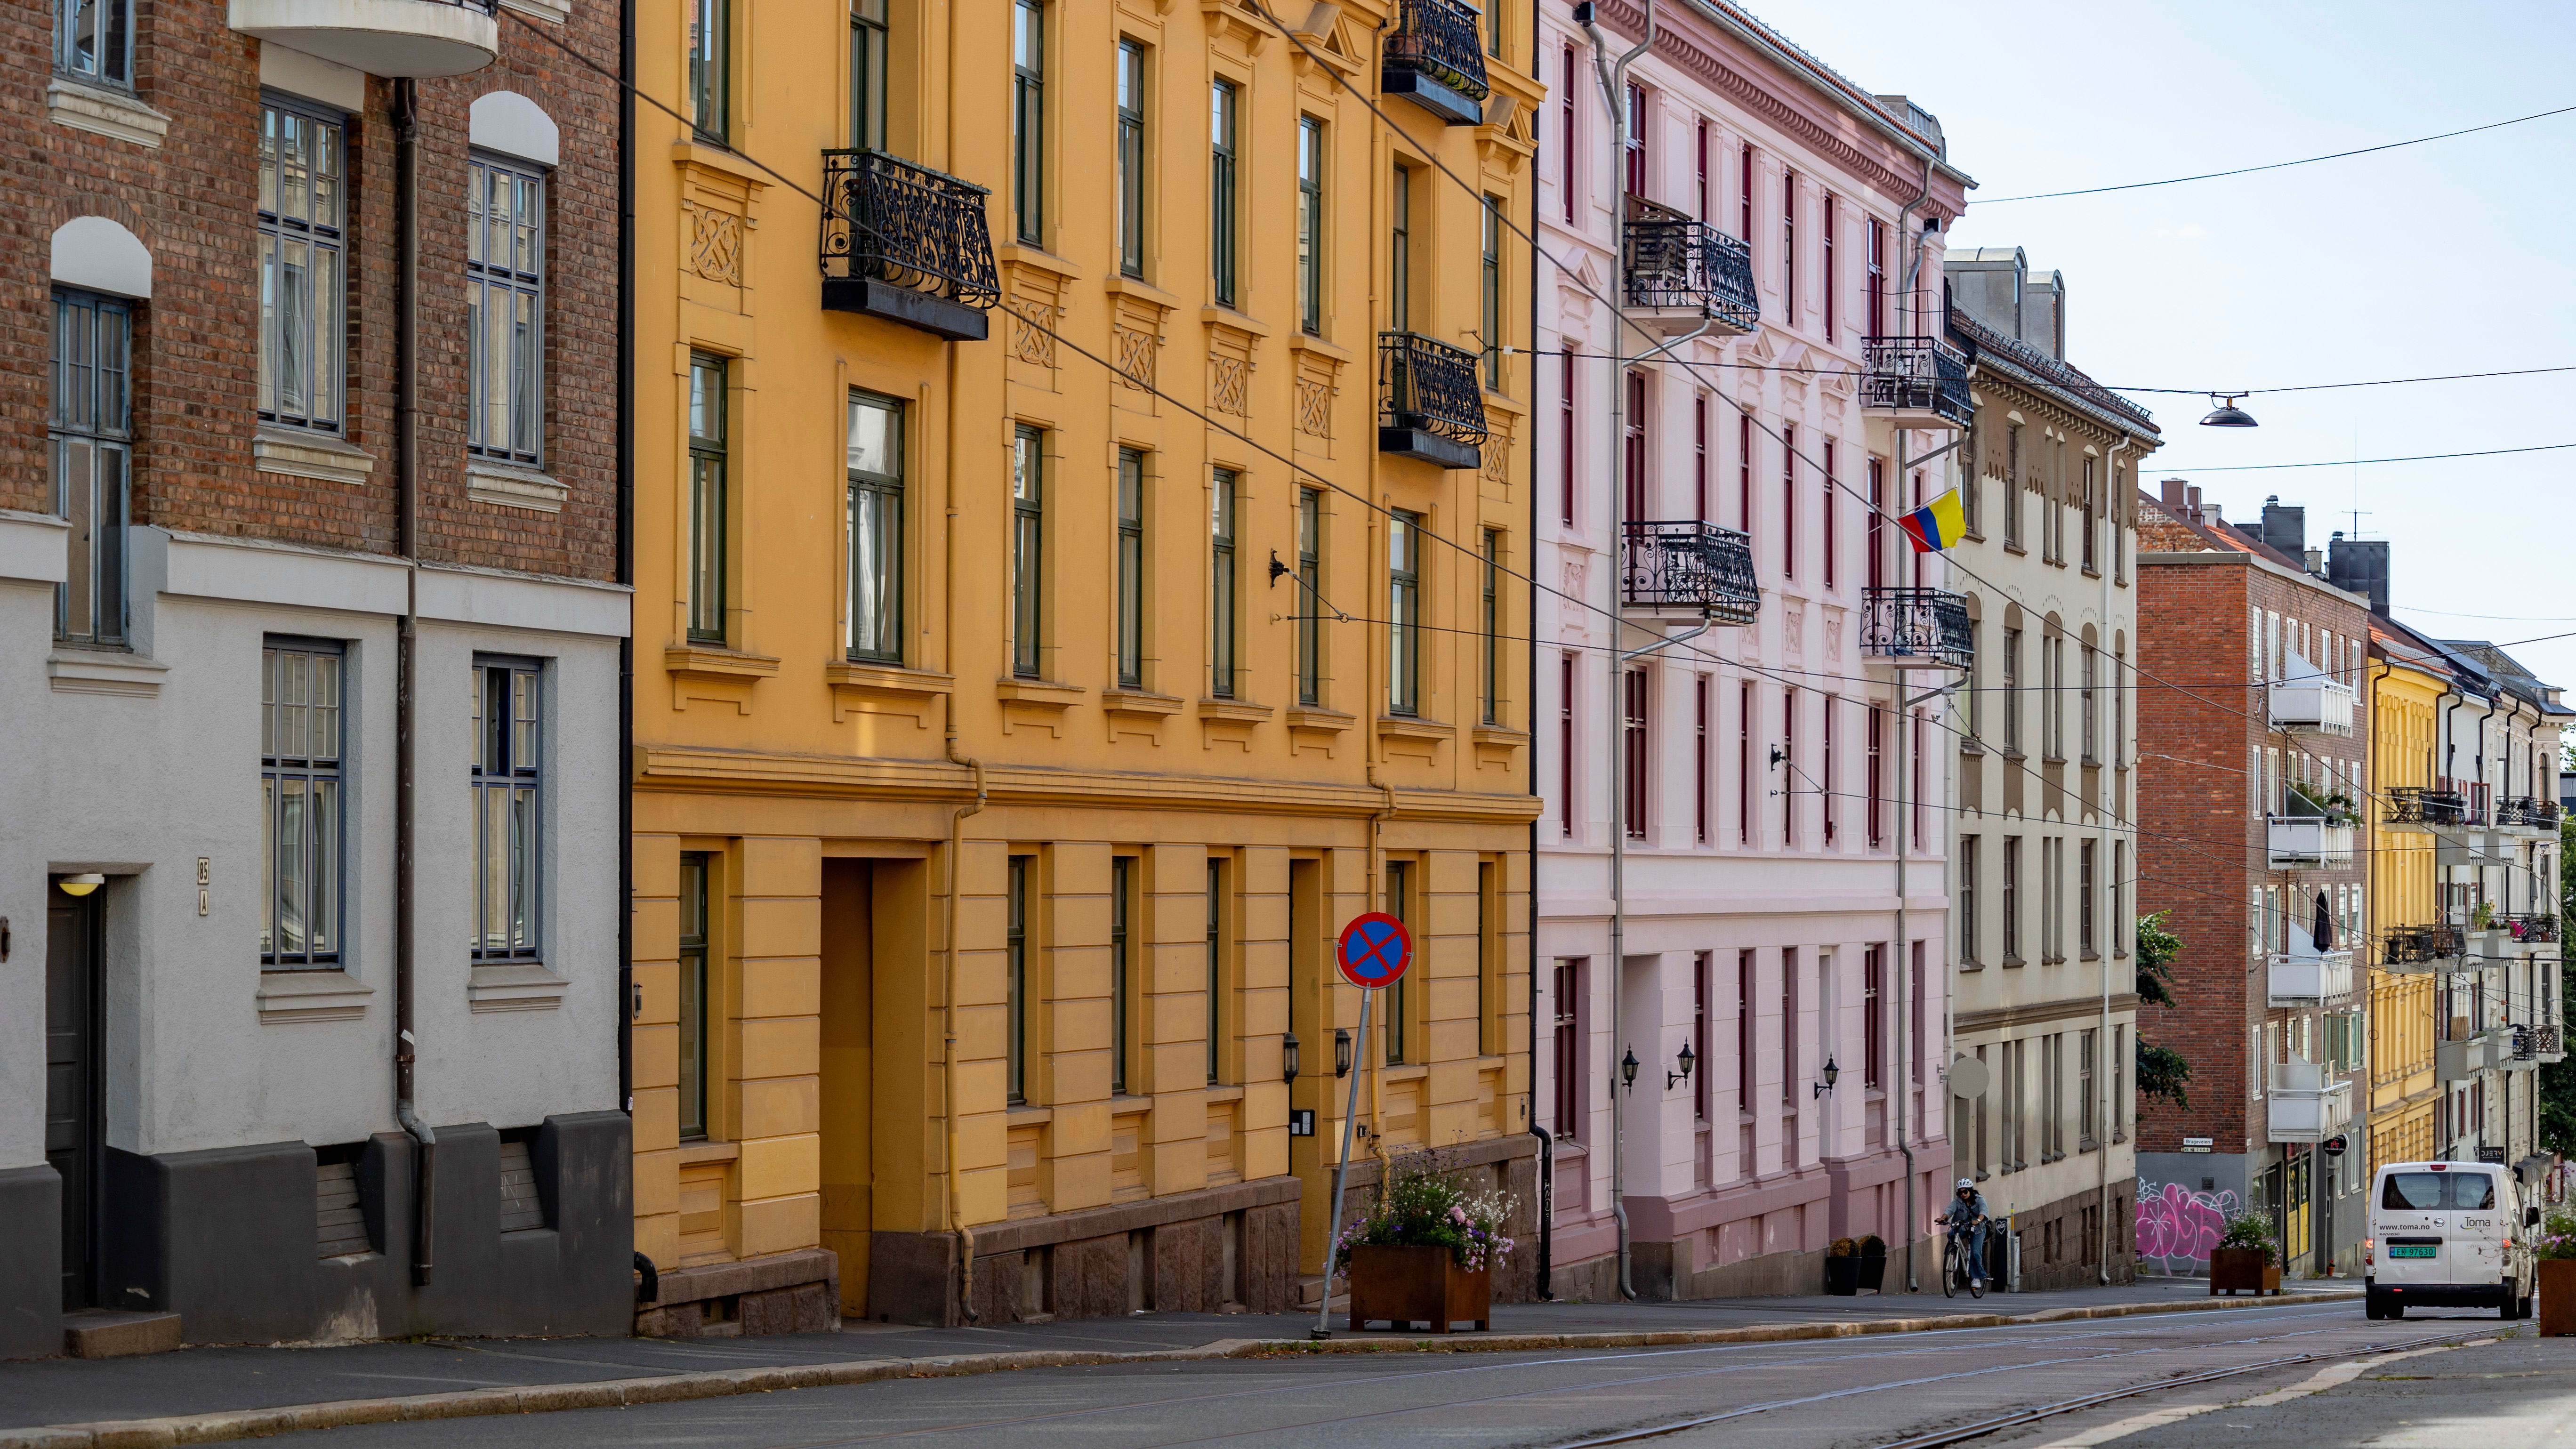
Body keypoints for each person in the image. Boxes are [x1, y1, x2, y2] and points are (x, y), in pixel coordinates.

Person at [1942, 1178, 1990, 1286]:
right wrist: (1943, 1218)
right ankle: (1953, 1251)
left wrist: (1978, 1221)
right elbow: (1949, 1210)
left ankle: (1977, 1278)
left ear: (1970, 1191)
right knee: (1951, 1234)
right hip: (1964, 1226)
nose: (1963, 1194)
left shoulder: (1979, 1199)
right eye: (1960, 1192)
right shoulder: (1958, 1201)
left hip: (1978, 1228)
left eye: (1965, 1191)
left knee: (1975, 1252)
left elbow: (1984, 1212)